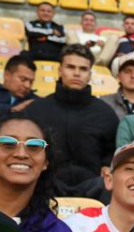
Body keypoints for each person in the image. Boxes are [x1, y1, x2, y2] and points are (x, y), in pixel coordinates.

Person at [26, 44, 119, 198]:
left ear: (90, 75)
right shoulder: (37, 110)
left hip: (93, 192)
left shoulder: (105, 113)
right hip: (43, 188)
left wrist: (106, 165)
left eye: (83, 69)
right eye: (70, 67)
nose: (76, 73)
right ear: (59, 70)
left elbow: (113, 151)